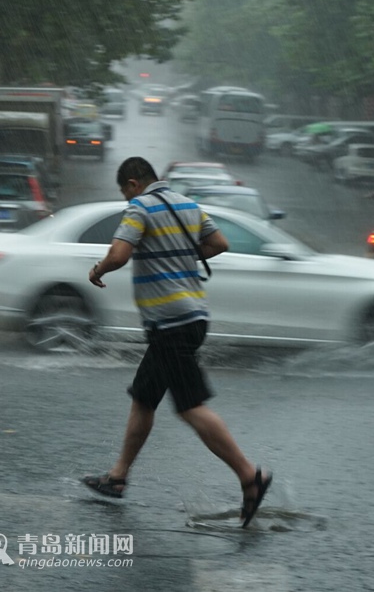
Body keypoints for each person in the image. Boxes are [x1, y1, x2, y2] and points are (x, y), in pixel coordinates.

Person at [81, 156, 272, 528]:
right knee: (144, 397)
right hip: (191, 316)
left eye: (125, 192)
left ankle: (250, 477)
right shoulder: (187, 204)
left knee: (189, 406)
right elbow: (219, 242)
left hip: (171, 322)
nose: (126, 199)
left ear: (134, 184)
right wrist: (182, 258)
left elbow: (120, 253)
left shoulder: (140, 207)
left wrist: (98, 270)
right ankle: (118, 477)